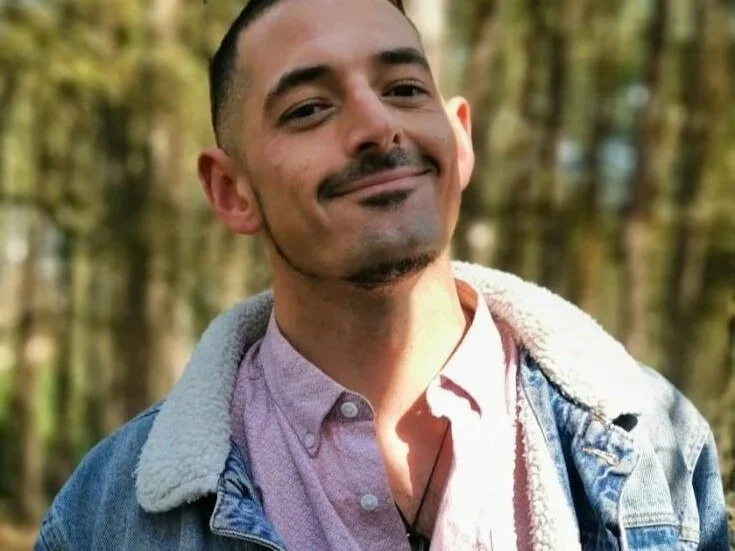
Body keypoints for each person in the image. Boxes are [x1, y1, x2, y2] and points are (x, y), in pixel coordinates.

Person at [36, 0, 730, 549]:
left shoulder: (657, 445)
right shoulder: (105, 515)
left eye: (403, 88)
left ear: (459, 138)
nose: (376, 125)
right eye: (309, 108)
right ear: (231, 190)